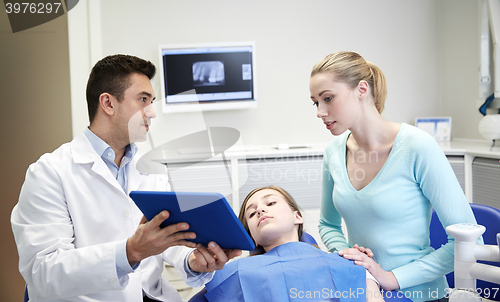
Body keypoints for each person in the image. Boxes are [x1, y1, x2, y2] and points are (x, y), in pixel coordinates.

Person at [11, 54, 241, 302]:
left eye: (151, 101)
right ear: (108, 103)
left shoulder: (151, 169)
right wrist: (129, 252)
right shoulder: (49, 173)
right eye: (143, 100)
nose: (152, 112)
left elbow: (166, 239)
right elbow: (44, 272)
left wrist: (192, 261)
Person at [309, 51, 479, 302]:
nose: (320, 112)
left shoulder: (417, 146)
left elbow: (469, 240)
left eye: (328, 98)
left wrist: (392, 277)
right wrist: (349, 255)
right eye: (315, 102)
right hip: (365, 293)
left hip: (422, 295)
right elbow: (328, 224)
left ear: (362, 89)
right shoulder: (334, 152)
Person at [204, 186, 385, 302]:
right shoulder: (230, 275)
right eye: (251, 214)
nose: (260, 209)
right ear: (253, 238)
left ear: (297, 216)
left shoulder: (352, 264)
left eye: (271, 202)